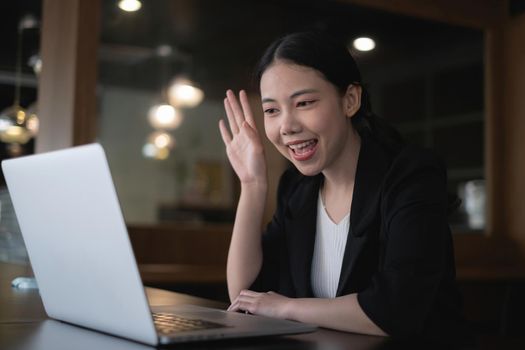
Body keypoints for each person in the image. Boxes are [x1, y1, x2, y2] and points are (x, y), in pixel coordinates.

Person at [218, 31, 469, 344]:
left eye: (304, 102)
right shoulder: (298, 189)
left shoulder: (411, 177)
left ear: (350, 100)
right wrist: (252, 184)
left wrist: (287, 307)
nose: (287, 126)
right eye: (272, 110)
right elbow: (244, 294)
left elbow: (393, 310)